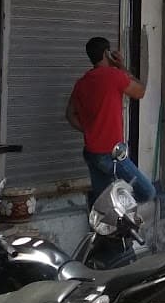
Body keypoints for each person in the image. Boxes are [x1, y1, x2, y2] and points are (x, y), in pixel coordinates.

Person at [67, 36, 156, 206]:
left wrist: (88, 130)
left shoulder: (81, 83)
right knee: (147, 192)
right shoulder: (114, 76)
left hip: (92, 152)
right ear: (107, 53)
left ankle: (106, 225)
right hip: (112, 153)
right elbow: (140, 91)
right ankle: (119, 208)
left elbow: (70, 115)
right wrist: (121, 66)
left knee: (102, 203)